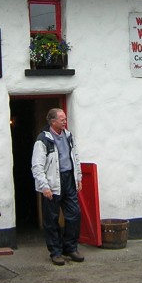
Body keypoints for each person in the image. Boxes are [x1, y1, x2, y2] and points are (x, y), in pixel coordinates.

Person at [31, 108, 84, 266]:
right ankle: (55, 252)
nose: (64, 120)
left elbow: (75, 157)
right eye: (61, 118)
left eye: (65, 118)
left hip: (69, 180)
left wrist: (78, 177)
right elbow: (37, 166)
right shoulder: (43, 139)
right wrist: (44, 186)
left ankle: (70, 247)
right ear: (52, 121)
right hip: (53, 182)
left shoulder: (68, 136)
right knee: (51, 220)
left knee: (74, 214)